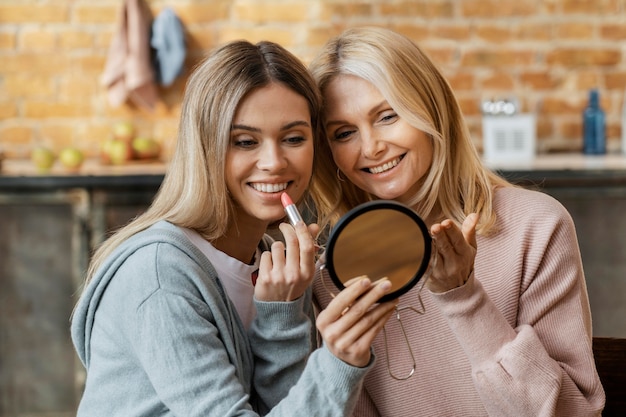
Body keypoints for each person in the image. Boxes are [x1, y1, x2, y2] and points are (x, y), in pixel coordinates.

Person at [70, 39, 398, 416]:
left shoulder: (275, 269)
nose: (274, 162)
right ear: (205, 148)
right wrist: (338, 361)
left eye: (293, 138)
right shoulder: (159, 275)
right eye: (245, 142)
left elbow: (279, 408)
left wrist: (283, 316)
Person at [308, 27, 605, 416]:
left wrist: (463, 297)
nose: (370, 146)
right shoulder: (332, 275)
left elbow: (573, 413)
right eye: (344, 133)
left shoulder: (536, 227)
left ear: (431, 109)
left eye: (387, 116)